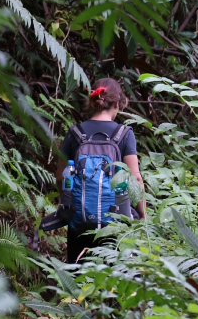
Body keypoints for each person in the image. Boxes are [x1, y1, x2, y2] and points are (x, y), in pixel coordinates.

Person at [61, 78, 146, 263]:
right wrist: (142, 215)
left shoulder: (74, 133)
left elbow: (60, 175)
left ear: (92, 102)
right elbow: (135, 179)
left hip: (79, 222)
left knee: (77, 275)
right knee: (114, 276)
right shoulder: (124, 135)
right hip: (115, 224)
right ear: (116, 104)